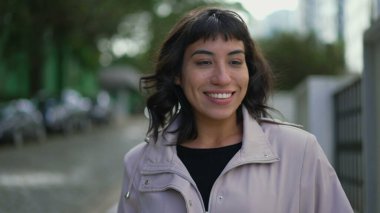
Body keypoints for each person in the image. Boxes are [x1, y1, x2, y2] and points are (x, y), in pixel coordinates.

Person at [117, 7, 353, 213]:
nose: (222, 78)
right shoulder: (139, 163)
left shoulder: (300, 151)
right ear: (177, 74)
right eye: (204, 62)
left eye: (235, 62)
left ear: (248, 71)